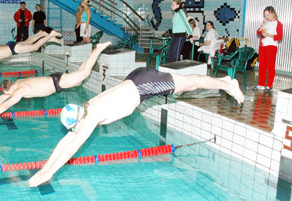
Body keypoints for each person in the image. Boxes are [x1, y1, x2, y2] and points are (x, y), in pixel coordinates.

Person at [28, 67, 244, 187]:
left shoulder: (91, 118)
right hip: (137, 78)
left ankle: (227, 84)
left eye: (74, 129)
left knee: (191, 84)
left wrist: (51, 172)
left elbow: (72, 148)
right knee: (187, 83)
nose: (74, 133)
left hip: (143, 85)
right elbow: (65, 142)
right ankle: (224, 80)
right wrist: (45, 169)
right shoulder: (85, 109)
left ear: (77, 122)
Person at [0, 41, 112, 123]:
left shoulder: (20, 91)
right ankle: (91, 56)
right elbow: (2, 98)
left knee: (84, 73)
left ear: (11, 89)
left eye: (9, 93)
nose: (9, 95)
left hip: (58, 83)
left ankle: (98, 49)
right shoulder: (17, 83)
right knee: (79, 78)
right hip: (55, 79)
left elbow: (4, 106)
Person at [253, 6, 283, 91]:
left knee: (270, 66)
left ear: (273, 13)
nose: (266, 17)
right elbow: (258, 33)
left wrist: (269, 35)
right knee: (262, 66)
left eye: (268, 15)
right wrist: (263, 24)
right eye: (265, 15)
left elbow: (280, 37)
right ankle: (261, 84)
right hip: (263, 46)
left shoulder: (278, 23)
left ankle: (269, 85)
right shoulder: (266, 22)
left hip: (271, 46)